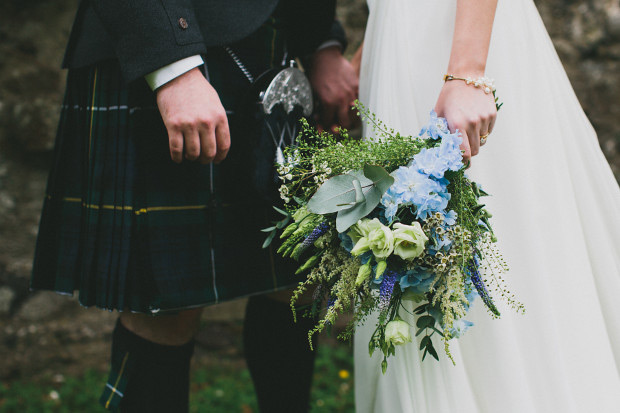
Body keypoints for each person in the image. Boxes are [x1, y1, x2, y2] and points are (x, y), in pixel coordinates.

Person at [30, 0, 359, 411]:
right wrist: (172, 65)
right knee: (169, 305)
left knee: (293, 278)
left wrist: (320, 42)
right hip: (162, 38)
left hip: (276, 48)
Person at [352, 0, 620, 412]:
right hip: (401, 39)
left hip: (455, 42)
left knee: (512, 240)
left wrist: (468, 72)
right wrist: (365, 56)